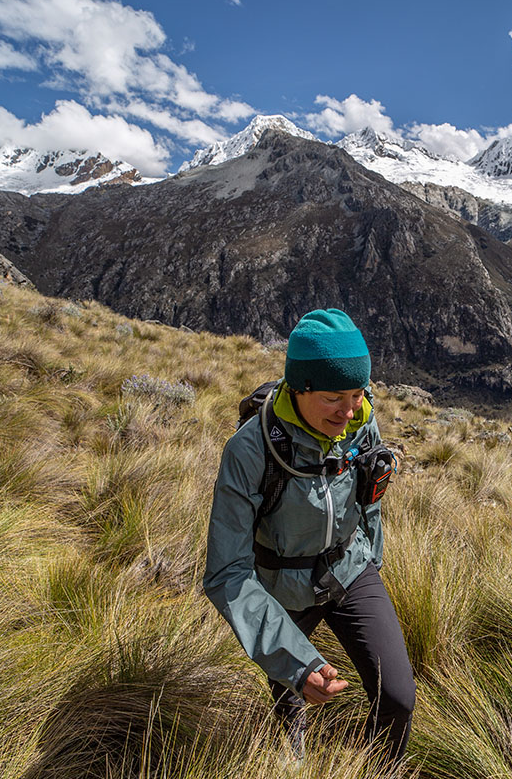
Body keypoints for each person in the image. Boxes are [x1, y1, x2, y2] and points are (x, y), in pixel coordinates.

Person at [203, 308, 415, 769]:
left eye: (359, 393)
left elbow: (369, 498)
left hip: (350, 570)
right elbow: (227, 573)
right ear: (299, 391)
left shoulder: (360, 423)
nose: (351, 409)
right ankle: (292, 753)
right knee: (289, 697)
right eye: (335, 396)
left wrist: (371, 561)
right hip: (281, 589)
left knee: (397, 696)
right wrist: (297, 663)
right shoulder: (250, 450)